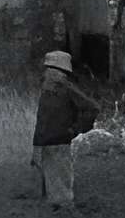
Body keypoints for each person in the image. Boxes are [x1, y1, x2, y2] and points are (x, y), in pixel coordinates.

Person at [31, 50, 99, 209]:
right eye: (47, 70)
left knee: (61, 193)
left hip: (59, 144)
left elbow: (92, 108)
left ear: (60, 72)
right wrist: (37, 148)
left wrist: (75, 130)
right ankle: (56, 213)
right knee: (50, 190)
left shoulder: (66, 89)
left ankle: (66, 212)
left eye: (51, 70)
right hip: (47, 145)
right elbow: (41, 122)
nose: (47, 73)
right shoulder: (47, 92)